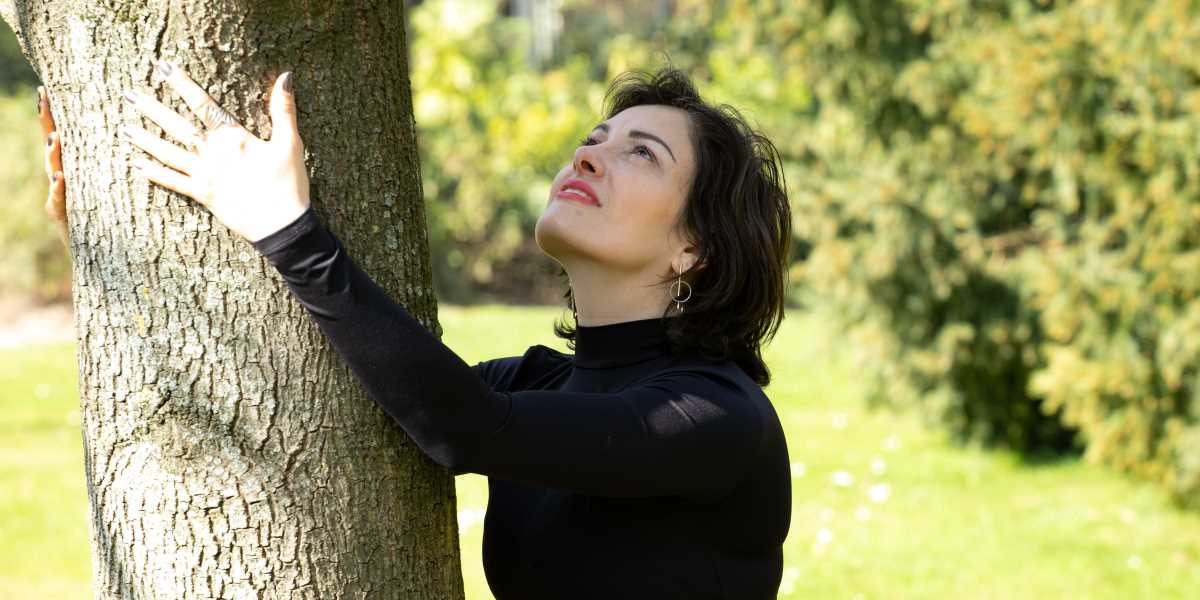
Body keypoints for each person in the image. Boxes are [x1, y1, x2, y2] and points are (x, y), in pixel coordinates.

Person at [36, 61, 793, 599]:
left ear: (694, 246)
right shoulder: (533, 383)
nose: (592, 152)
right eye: (597, 136)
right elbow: (365, 384)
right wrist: (117, 243)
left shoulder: (717, 418)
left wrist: (289, 229)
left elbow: (459, 426)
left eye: (641, 153)